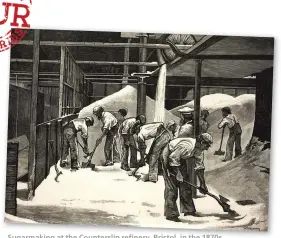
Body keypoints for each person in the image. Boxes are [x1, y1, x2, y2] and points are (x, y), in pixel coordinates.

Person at [161, 133, 213, 222]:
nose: (208, 148)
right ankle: (171, 214)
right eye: (207, 145)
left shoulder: (199, 150)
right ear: (201, 142)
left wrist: (203, 184)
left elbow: (199, 167)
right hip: (168, 155)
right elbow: (173, 158)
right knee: (171, 187)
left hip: (180, 158)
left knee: (185, 186)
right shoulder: (186, 146)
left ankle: (188, 210)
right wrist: (178, 173)